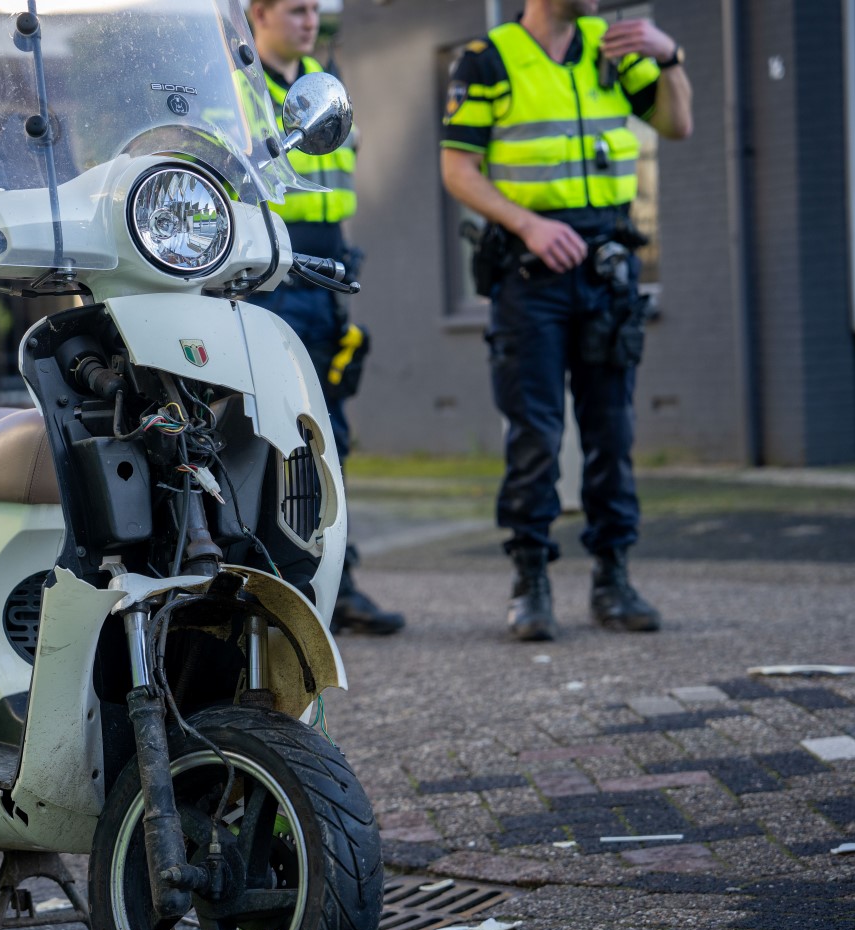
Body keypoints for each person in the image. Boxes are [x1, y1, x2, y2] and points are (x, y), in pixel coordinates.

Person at [439, 0, 692, 642]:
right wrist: (528, 223)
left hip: (607, 269)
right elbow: (457, 168)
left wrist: (670, 57)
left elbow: (677, 122)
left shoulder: (615, 48)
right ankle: (531, 582)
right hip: (531, 274)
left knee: (612, 431)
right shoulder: (486, 60)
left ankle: (613, 578)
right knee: (536, 436)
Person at [247, 0, 405, 636]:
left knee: (327, 440)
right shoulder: (234, 83)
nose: (310, 19)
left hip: (322, 279)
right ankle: (273, 593)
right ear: (258, 13)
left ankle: (334, 586)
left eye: (316, 9)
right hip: (262, 283)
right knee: (266, 444)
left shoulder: (322, 82)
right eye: (297, 8)